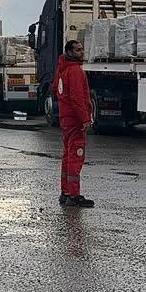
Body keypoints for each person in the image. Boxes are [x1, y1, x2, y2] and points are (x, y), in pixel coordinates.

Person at [54, 39, 94, 208]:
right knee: (76, 156)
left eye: (81, 49)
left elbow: (56, 90)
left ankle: (65, 192)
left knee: (67, 156)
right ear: (69, 52)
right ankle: (74, 195)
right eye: (78, 50)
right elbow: (78, 97)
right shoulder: (75, 71)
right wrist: (85, 119)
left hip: (66, 118)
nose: (81, 52)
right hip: (75, 119)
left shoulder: (62, 70)